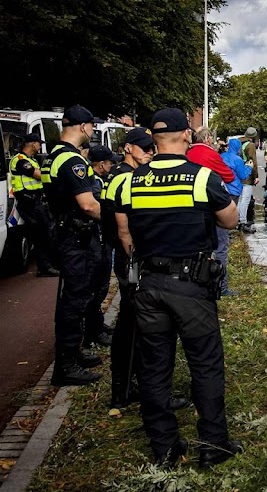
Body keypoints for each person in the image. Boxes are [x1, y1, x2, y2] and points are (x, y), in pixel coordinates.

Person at [115, 108, 241, 467]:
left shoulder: (130, 181)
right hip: (190, 287)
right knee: (205, 364)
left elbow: (125, 233)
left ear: (153, 139)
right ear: (186, 135)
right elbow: (229, 221)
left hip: (148, 285)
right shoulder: (200, 178)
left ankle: (165, 448)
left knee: (154, 366)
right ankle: (213, 446)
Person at [45, 105, 103, 385]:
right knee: (75, 300)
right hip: (76, 238)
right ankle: (66, 364)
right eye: (92, 127)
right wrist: (115, 217)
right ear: (83, 127)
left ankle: (73, 352)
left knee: (74, 297)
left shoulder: (52, 156)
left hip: (64, 233)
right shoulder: (72, 161)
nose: (92, 131)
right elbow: (89, 205)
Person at [100, 128, 158, 408]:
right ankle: (125, 390)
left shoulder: (119, 175)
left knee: (131, 322)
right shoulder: (126, 178)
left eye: (151, 147)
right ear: (128, 148)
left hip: (125, 259)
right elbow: (126, 231)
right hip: (131, 260)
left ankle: (124, 388)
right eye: (144, 147)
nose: (149, 151)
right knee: (134, 325)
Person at [190, 127, 240, 296]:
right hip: (212, 205)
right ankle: (220, 286)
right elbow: (229, 176)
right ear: (208, 139)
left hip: (190, 209)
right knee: (221, 246)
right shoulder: (210, 155)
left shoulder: (187, 153)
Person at [8, 133, 58, 276]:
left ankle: (46, 265)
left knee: (44, 231)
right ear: (32, 144)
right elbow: (38, 174)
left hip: (35, 200)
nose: (40, 146)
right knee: (42, 233)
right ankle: (44, 267)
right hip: (27, 201)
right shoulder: (20, 160)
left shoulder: (31, 159)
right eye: (39, 143)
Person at [84, 145, 115, 348]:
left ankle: (96, 326)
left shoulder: (99, 180)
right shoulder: (95, 183)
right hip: (97, 242)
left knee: (100, 288)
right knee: (96, 289)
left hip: (101, 241)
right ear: (101, 164)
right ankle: (91, 333)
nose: (112, 165)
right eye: (110, 162)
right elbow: (96, 209)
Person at [240, 128, 260, 229]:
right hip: (247, 174)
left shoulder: (239, 143)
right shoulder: (250, 145)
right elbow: (253, 162)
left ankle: (237, 220)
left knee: (239, 199)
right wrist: (255, 176)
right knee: (245, 199)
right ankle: (242, 221)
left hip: (238, 173)